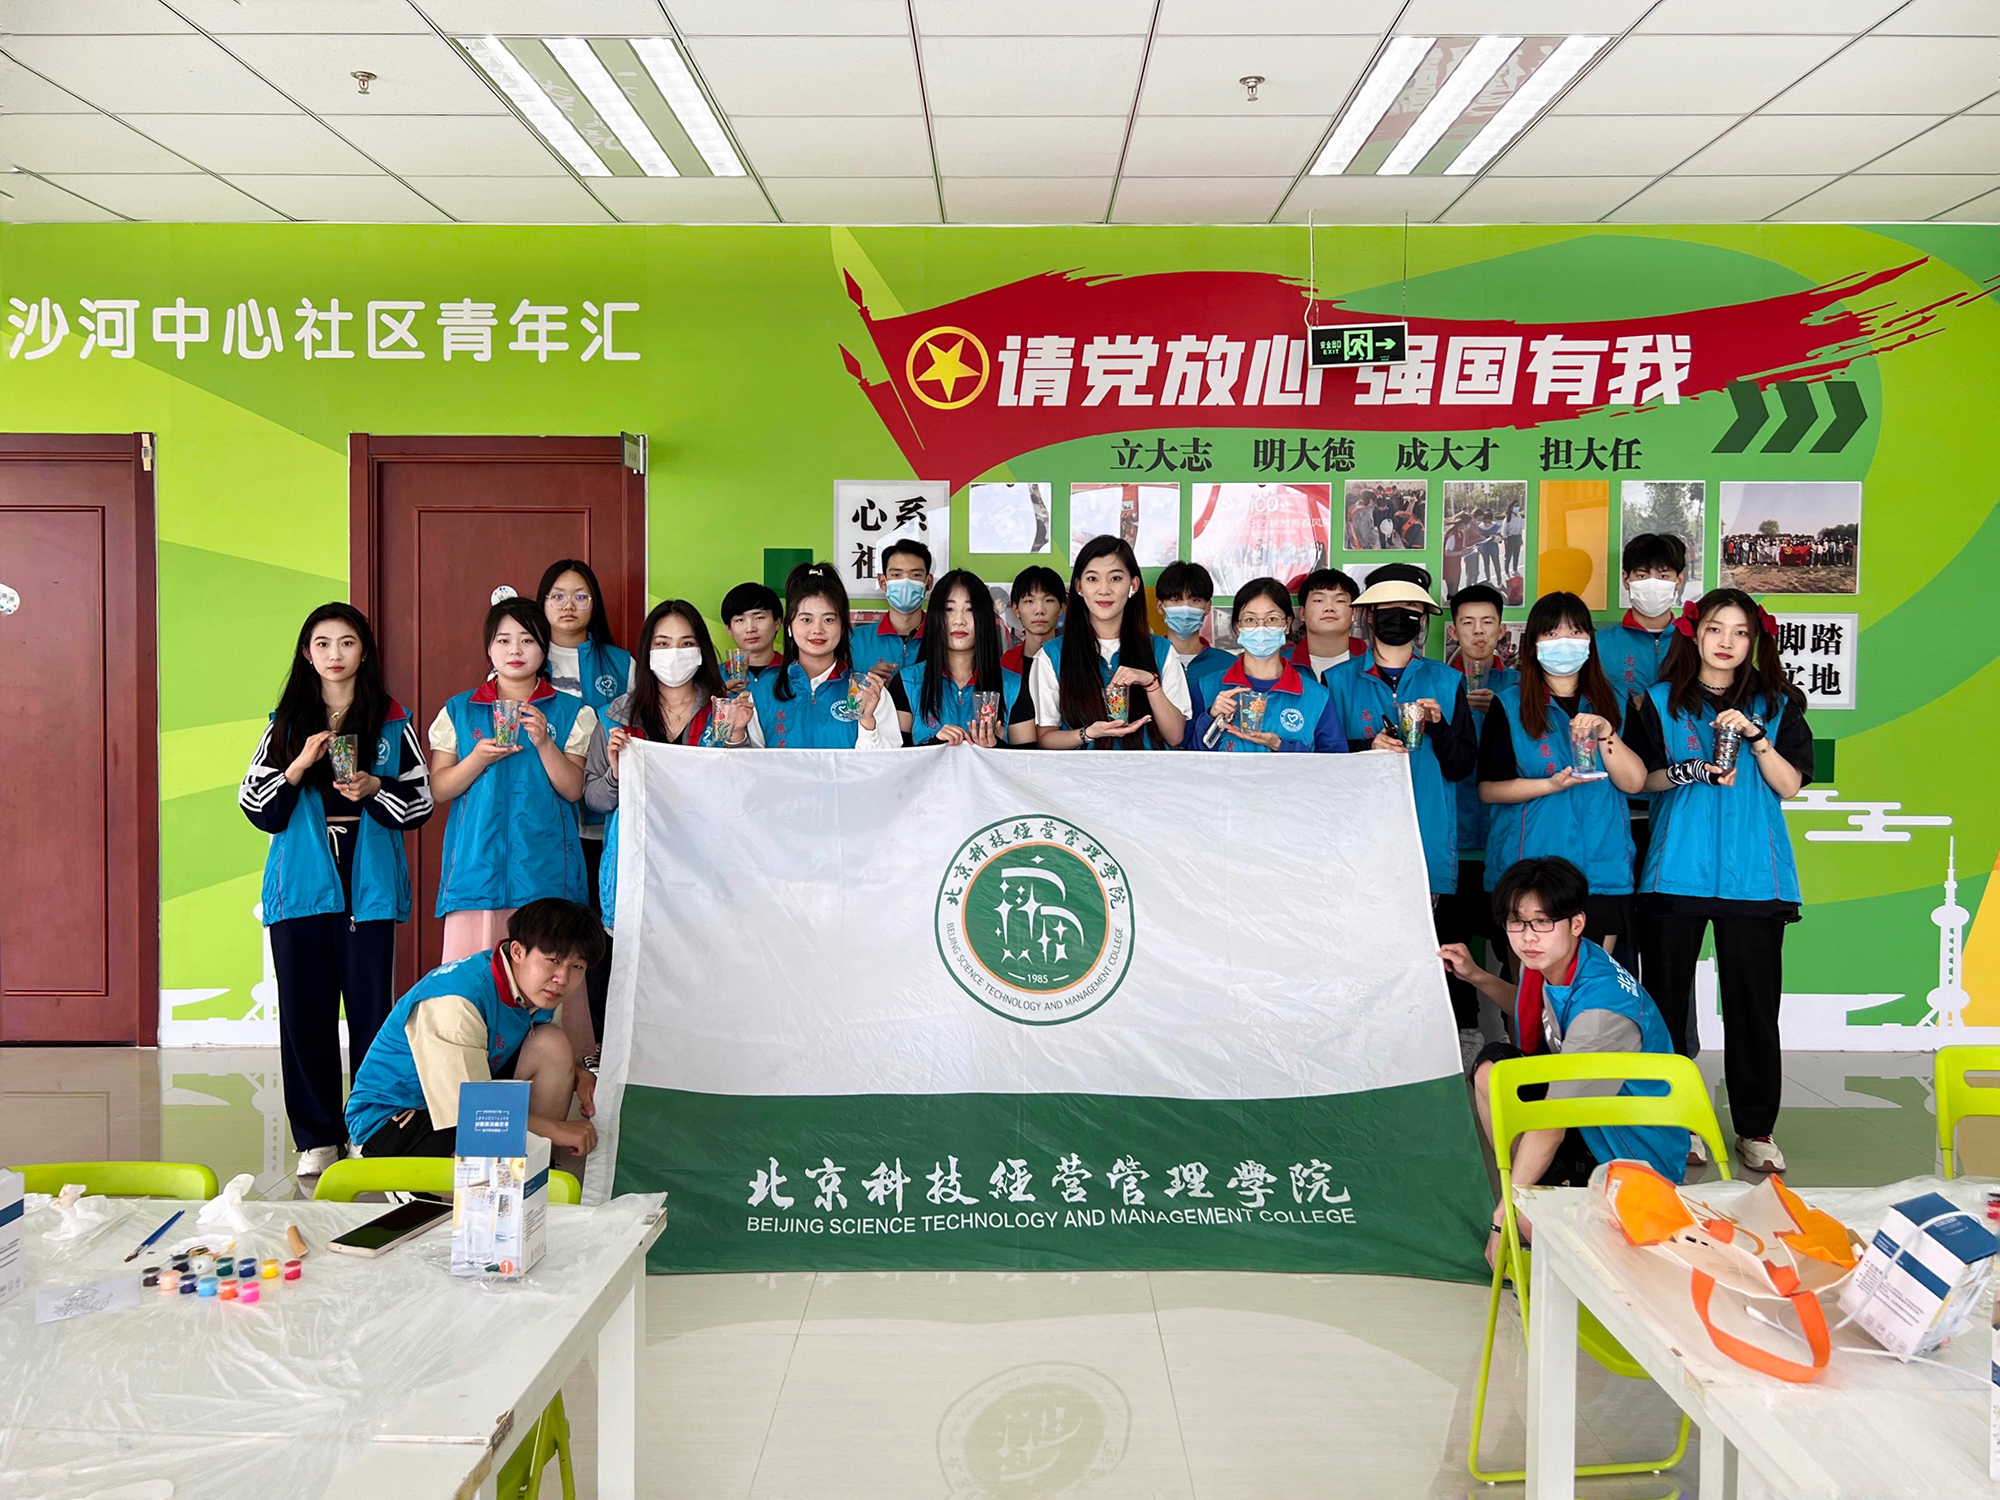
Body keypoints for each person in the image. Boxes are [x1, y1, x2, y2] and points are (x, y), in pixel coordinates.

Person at [239, 603, 432, 1178]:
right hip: (301, 885)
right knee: (305, 1015)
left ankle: (369, 1131)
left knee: (372, 1015)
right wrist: (298, 766)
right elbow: (255, 805)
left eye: (346, 642)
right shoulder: (285, 723)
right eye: (322, 644)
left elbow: (420, 803)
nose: (334, 654)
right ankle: (317, 1137)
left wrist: (374, 787)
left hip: (367, 885)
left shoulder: (392, 721)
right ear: (307, 654)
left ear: (363, 651)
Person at [1625, 589, 1813, 1176]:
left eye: (1740, 632)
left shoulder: (1779, 703)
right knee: (1664, 1006)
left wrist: (1757, 738)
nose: (1726, 642)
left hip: (1755, 877)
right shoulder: (1657, 700)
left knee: (1753, 1009)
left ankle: (1756, 1130)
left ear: (1754, 641)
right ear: (1695, 633)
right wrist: (1689, 771)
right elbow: (1641, 780)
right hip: (1675, 872)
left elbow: (1789, 785)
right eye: (1715, 628)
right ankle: (1674, 1122)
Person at [1442, 856, 1687, 1266]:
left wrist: (1502, 1219)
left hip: (1629, 1154)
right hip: (1595, 1118)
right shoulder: (1562, 960)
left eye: (1542, 922)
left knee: (1531, 1221)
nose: (1527, 937)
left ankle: (1530, 1208)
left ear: (1576, 923)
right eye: (1517, 922)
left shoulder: (1600, 1015)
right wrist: (1477, 976)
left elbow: (1551, 1124)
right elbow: (1537, 1010)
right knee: (1496, 1067)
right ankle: (1531, 1191)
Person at [583, 600, 758, 1035]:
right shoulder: (616, 716)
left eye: (685, 643)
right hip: (637, 872)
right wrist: (617, 775)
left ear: (701, 650)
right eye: (662, 644)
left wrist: (737, 737)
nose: (674, 653)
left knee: (703, 988)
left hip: (707, 876)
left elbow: (750, 792)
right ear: (646, 652)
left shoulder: (728, 711)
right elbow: (593, 798)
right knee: (638, 992)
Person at [344, 898, 603, 1160]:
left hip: (461, 1097)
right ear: (517, 952)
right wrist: (555, 1130)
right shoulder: (457, 1000)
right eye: (553, 960)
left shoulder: (539, 989)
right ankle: (393, 1173)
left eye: (577, 966)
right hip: (393, 1118)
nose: (562, 978)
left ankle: (534, 1162)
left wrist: (579, 1076)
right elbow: (474, 1111)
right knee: (484, 1164)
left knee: (551, 1044)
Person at [1477, 591, 1646, 966]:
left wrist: (1606, 732)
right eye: (1551, 634)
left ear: (1590, 640)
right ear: (1534, 643)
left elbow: (1635, 783)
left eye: (1575, 632)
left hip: (1601, 871)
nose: (1564, 643)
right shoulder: (1509, 704)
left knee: (1591, 985)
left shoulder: (1617, 700)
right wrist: (1550, 785)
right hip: (1529, 873)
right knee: (1528, 990)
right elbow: (1489, 789)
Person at [429, 598, 594, 963]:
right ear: (489, 649)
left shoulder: (573, 712)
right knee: (474, 982)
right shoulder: (459, 710)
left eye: (527, 640)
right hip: (476, 875)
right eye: (503, 640)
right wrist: (477, 759)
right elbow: (439, 788)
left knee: (548, 979)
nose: (515, 650)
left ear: (544, 647)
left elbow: (573, 789)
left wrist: (544, 742)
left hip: (546, 875)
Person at [1322, 576, 1477, 898]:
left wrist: (1439, 726)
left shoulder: (1447, 681)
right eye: (1388, 606)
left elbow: (1461, 768)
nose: (1399, 614)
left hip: (1426, 835)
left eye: (1409, 606)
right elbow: (1321, 760)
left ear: (1422, 618)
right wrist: (1368, 746)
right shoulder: (1336, 681)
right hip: (1358, 838)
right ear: (1370, 615)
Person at [536, 559, 631, 1057]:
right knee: (552, 938)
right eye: (557, 595)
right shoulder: (525, 654)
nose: (568, 605)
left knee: (603, 940)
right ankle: (554, 1046)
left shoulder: (622, 663)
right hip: (546, 827)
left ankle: (601, 1046)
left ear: (595, 603)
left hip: (605, 825)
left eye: (580, 595)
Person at [1435, 584, 1517, 1068]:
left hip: (1507, 844)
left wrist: (1499, 713)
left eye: (1488, 622)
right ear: (1453, 630)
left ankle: (1520, 1038)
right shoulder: (1439, 684)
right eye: (1468, 623)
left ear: (1502, 629)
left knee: (1516, 948)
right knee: (1452, 948)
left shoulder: (1520, 687)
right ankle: (1462, 1040)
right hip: (1454, 843)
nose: (1478, 632)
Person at [1030, 535, 1189, 750]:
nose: (1104, 590)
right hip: (1082, 771)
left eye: (1115, 578)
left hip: (1147, 770)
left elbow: (1175, 736)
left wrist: (1150, 684)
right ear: (1079, 586)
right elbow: (1046, 739)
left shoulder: (1162, 650)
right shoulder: (1051, 656)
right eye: (1092, 579)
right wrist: (1088, 733)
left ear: (1133, 585)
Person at [748, 562, 901, 748]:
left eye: (828, 620)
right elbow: (751, 762)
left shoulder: (870, 692)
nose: (817, 630)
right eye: (806, 619)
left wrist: (867, 722)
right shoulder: (761, 693)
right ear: (789, 626)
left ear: (842, 627)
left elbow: (890, 762)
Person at [879, 569, 1037, 748]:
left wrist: (996, 746)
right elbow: (895, 759)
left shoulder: (1013, 687)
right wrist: (934, 744)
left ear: (985, 617)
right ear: (935, 617)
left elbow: (1028, 760)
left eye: (970, 609)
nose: (959, 620)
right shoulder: (907, 683)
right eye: (949, 609)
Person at [1188, 577, 1344, 754]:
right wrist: (1211, 717)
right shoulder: (1207, 687)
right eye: (1250, 620)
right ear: (1237, 628)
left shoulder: (1316, 696)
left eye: (1272, 619)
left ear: (1287, 625)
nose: (1261, 627)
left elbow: (1335, 762)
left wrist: (1280, 746)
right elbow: (1187, 760)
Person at [1597, 533, 1685, 705]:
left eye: (1663, 576)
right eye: (1642, 576)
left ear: (1679, 581)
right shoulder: (1598, 644)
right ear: (1626, 579)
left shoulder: (1695, 643)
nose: (1652, 585)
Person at [850, 538, 932, 675]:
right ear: (883, 582)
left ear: (928, 582)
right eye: (896, 575)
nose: (906, 582)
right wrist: (866, 681)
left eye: (916, 575)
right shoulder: (855, 640)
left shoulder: (944, 638)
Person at [1155, 560, 1234, 687]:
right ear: (1160, 606)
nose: (1186, 608)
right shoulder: (1146, 661)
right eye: (1176, 600)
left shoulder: (1229, 665)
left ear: (1207, 606)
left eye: (1195, 600)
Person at [1290, 567, 1366, 680]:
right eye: (1319, 600)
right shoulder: (1282, 665)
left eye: (1339, 601)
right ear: (1302, 613)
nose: (1329, 608)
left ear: (1354, 613)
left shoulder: (1372, 663)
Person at [1002, 566, 1065, 676]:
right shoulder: (1006, 664)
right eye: (1029, 601)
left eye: (1048, 601)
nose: (1039, 610)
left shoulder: (1075, 659)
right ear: (1016, 609)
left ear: (1061, 608)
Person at [720, 581, 784, 684]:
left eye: (759, 618)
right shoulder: (714, 678)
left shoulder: (795, 672)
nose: (750, 629)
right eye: (740, 620)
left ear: (777, 622)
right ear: (728, 628)